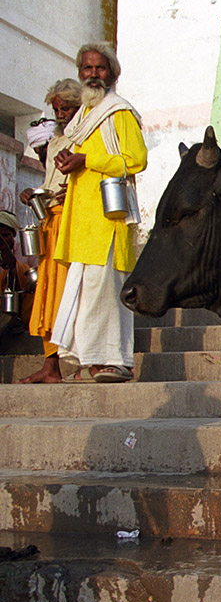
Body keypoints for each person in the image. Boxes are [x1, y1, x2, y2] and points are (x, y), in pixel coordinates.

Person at [50, 42, 147, 383]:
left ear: (112, 74)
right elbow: (81, 162)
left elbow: (136, 160)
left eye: (100, 68)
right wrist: (69, 162)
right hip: (82, 224)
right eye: (87, 68)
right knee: (85, 296)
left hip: (108, 221)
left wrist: (87, 160)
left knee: (104, 293)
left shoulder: (117, 112)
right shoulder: (82, 118)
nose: (93, 74)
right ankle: (93, 362)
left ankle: (116, 361)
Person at [18, 79, 83, 383]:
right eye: (56, 109)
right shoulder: (56, 143)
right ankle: (51, 366)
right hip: (52, 226)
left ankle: (90, 363)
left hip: (78, 225)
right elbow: (52, 184)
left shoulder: (89, 138)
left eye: (65, 108)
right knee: (48, 297)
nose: (60, 114)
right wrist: (35, 193)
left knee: (79, 296)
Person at [0, 211, 34, 339]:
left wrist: (13, 267)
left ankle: (14, 319)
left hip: (23, 301)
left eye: (5, 235)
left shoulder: (25, 250)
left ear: (13, 235)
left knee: (19, 269)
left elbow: (38, 273)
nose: (2, 240)